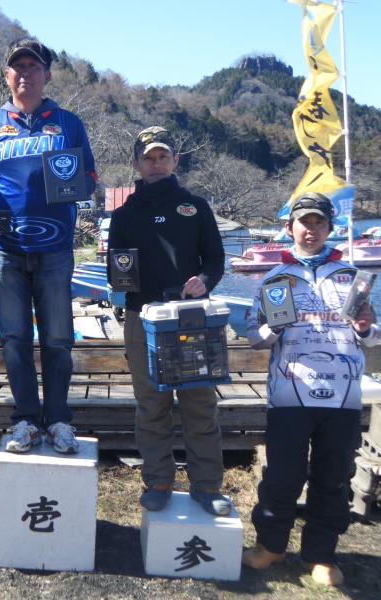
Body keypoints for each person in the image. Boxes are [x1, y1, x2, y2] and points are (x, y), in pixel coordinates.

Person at [0, 38, 97, 454]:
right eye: (17, 67)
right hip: (5, 248)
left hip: (55, 249)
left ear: (47, 74)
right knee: (14, 338)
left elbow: (89, 177)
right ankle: (24, 420)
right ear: (6, 76)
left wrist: (74, 186)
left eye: (33, 67)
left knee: (57, 338)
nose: (25, 74)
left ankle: (57, 419)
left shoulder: (68, 122)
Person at [241, 192, 380, 586]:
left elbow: (372, 338)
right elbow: (254, 337)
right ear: (289, 228)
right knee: (283, 474)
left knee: (333, 476)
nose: (311, 229)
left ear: (329, 228)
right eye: (304, 222)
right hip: (289, 393)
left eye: (319, 222)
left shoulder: (353, 276)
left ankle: (319, 555)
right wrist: (273, 328)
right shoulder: (273, 278)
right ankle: (269, 547)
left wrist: (366, 327)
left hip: (343, 398)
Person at [107, 126, 231, 515]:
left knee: (199, 401)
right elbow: (117, 271)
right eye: (148, 158)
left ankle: (207, 485)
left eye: (163, 157)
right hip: (142, 319)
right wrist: (121, 278)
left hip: (192, 319)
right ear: (136, 164)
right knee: (151, 402)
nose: (156, 164)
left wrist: (205, 281)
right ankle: (158, 479)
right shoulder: (124, 214)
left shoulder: (195, 207)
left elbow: (214, 260)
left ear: (176, 161)